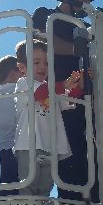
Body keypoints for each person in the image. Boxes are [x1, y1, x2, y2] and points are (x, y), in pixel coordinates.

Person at [32, 0, 103, 201]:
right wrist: (80, 50)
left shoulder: (87, 28)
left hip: (86, 100)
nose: (86, 2)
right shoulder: (45, 15)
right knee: (68, 158)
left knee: (92, 158)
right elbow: (44, 43)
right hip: (57, 100)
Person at [14, 39, 81, 196]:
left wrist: (78, 83)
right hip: (28, 145)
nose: (43, 67)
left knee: (45, 187)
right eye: (36, 62)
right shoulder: (24, 83)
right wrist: (63, 84)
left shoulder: (53, 88)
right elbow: (39, 93)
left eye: (46, 63)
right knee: (28, 184)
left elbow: (70, 100)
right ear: (22, 68)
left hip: (50, 146)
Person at [0, 55, 22, 195]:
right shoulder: (18, 90)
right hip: (20, 148)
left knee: (8, 189)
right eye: (22, 71)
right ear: (12, 73)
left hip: (4, 150)